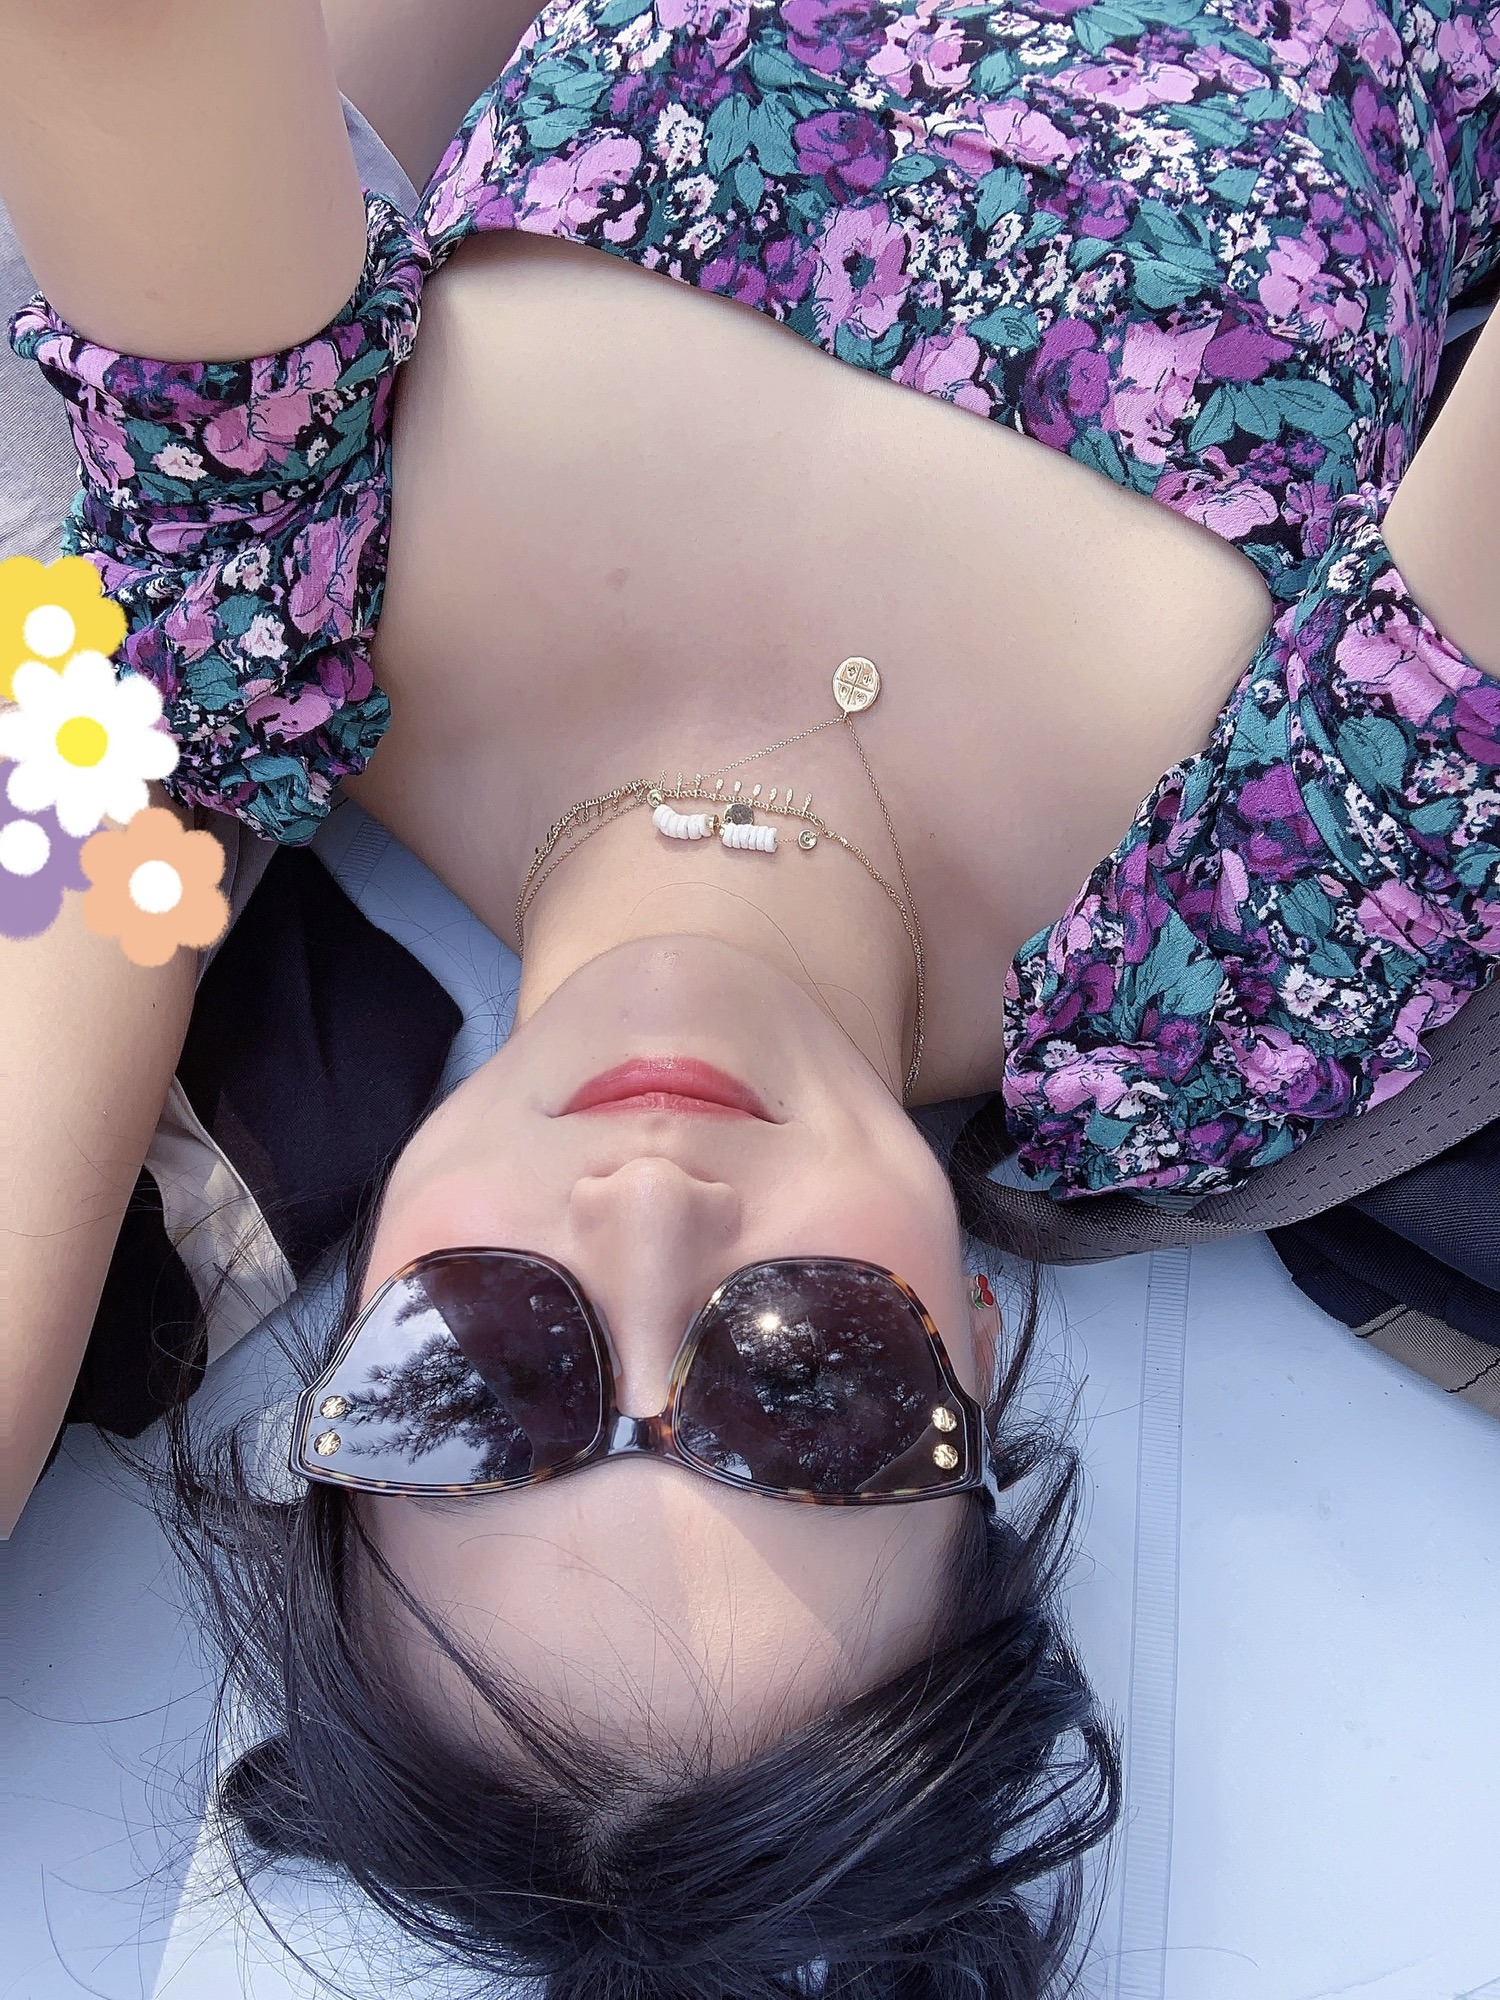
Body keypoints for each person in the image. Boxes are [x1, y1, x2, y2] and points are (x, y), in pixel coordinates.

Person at [0, 0, 1496, 1988]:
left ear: (359, 1322)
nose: (645, 1223)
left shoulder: (269, 626)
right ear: (974, 1348)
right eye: (806, 1382)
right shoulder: (1218, 991)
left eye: (478, 1370)